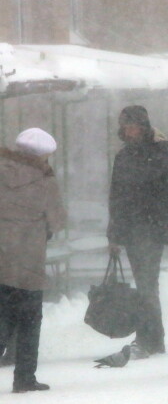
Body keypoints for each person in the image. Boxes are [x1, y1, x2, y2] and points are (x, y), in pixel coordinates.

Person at [107, 106, 168, 357]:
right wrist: (115, 233)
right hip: (134, 228)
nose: (128, 130)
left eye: (132, 125)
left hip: (149, 229)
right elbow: (117, 197)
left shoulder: (163, 153)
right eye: (125, 126)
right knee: (145, 282)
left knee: (146, 283)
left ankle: (148, 336)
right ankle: (153, 336)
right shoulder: (126, 156)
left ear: (143, 126)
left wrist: (155, 216)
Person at [0, 128, 66, 393]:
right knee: (28, 321)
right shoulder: (44, 180)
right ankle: (24, 378)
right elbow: (58, 220)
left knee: (1, 316)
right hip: (28, 263)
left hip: (1, 260)